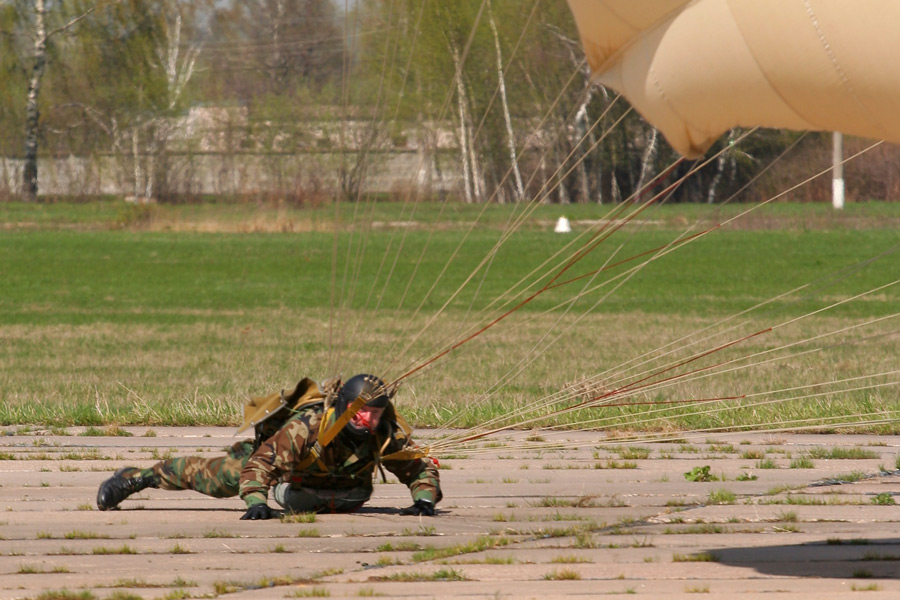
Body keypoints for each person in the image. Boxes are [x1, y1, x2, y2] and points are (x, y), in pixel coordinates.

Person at [96, 374, 441, 518]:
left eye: (375, 413)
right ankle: (137, 477)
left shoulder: (384, 433)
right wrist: (257, 501)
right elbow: (259, 467)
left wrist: (424, 499)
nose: (368, 419)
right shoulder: (306, 428)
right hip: (288, 480)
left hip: (339, 497)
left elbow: (418, 466)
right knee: (223, 478)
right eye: (361, 410)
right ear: (344, 406)